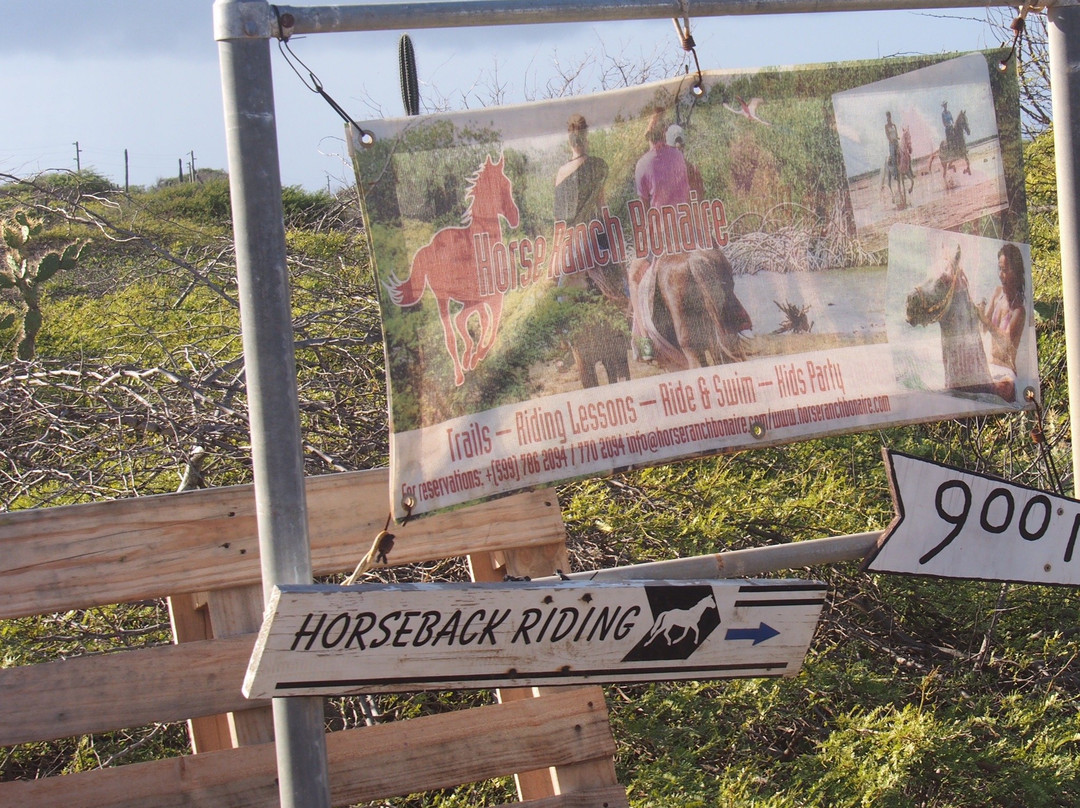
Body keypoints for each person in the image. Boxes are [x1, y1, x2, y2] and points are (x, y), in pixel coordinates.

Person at [551, 114, 630, 388]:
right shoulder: (598, 166)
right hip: (597, 241)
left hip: (574, 247)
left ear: (569, 140)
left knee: (560, 296)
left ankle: (566, 348)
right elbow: (603, 207)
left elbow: (560, 222)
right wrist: (615, 246)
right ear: (586, 138)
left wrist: (555, 258)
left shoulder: (560, 173)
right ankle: (633, 332)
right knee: (623, 283)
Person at [977, 243, 1027, 402]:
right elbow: (983, 329)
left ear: (1017, 273)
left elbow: (1006, 342)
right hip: (989, 368)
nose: (1001, 275)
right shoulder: (997, 292)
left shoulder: (1019, 311)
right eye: (1000, 269)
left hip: (1005, 372)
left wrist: (985, 319)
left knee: (1002, 390)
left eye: (1005, 270)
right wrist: (979, 313)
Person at [884, 111, 899, 179]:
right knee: (893, 157)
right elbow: (887, 135)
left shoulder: (894, 125)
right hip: (891, 144)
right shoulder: (886, 126)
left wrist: (897, 137)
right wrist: (891, 140)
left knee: (902, 153)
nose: (889, 117)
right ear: (886, 117)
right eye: (888, 116)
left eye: (889, 116)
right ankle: (895, 174)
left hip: (896, 142)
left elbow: (896, 134)